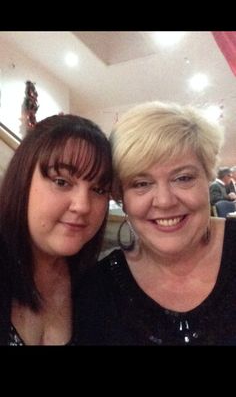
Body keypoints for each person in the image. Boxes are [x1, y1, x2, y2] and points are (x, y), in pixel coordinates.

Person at [75, 100, 236, 346]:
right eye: (141, 183)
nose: (164, 201)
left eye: (183, 178)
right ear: (121, 196)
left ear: (208, 179)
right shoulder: (96, 290)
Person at [0, 114, 112, 345]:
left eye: (99, 189)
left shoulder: (98, 285)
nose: (82, 206)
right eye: (61, 182)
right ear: (23, 180)